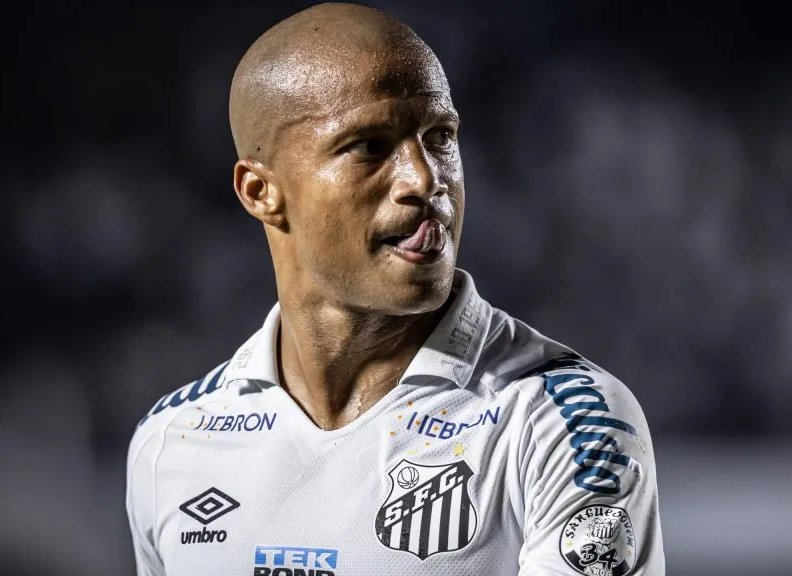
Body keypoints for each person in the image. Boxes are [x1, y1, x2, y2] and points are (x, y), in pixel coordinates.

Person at [126, 3, 664, 575]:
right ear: (261, 192)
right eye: (370, 146)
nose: (425, 179)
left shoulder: (563, 424)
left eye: (440, 137)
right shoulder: (173, 442)